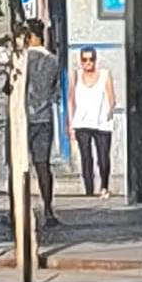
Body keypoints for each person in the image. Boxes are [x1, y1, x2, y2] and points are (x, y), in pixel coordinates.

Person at [25, 19, 61, 226]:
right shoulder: (53, 61)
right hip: (44, 118)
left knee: (18, 166)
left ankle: (17, 211)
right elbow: (56, 93)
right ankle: (48, 210)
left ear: (29, 37)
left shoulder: (22, 60)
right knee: (43, 165)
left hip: (24, 118)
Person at [68, 46, 116, 198]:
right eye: (84, 59)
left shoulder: (104, 75)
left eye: (91, 59)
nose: (88, 63)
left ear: (96, 60)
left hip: (102, 123)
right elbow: (70, 100)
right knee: (86, 157)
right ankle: (89, 190)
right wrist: (70, 123)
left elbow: (112, 98)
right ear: (80, 61)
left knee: (103, 157)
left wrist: (108, 113)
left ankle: (104, 186)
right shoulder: (76, 75)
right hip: (82, 123)